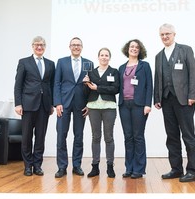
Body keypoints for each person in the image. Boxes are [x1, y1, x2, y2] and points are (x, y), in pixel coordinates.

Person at [153, 23, 195, 182]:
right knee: (171, 136)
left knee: (188, 135)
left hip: (185, 100)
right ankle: (176, 169)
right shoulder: (158, 56)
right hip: (166, 100)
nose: (165, 37)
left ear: (174, 34)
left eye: (167, 34)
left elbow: (193, 73)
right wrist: (157, 98)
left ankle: (193, 170)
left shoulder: (185, 49)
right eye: (162, 35)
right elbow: (157, 79)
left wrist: (192, 95)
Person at [14, 36, 55, 176]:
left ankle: (37, 165)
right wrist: (18, 103)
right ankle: (27, 165)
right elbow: (18, 85)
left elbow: (51, 85)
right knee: (26, 137)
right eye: (37, 44)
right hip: (27, 105)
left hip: (44, 106)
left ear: (45, 47)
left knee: (40, 137)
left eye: (42, 45)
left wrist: (52, 104)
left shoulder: (50, 64)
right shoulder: (24, 62)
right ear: (32, 46)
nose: (39, 47)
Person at [54, 37, 93, 178]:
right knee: (61, 136)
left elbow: (90, 86)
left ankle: (77, 166)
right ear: (69, 46)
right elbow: (56, 83)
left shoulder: (89, 63)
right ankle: (62, 167)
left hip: (81, 104)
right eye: (74, 45)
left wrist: (89, 104)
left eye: (78, 45)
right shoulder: (61, 62)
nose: (76, 47)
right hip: (63, 104)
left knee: (79, 136)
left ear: (82, 47)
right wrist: (57, 103)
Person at [118, 39, 153, 179]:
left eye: (137, 47)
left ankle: (138, 169)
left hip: (139, 105)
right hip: (124, 105)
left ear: (140, 50)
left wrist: (148, 104)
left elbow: (149, 86)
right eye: (131, 46)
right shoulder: (121, 67)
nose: (134, 49)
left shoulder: (145, 66)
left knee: (138, 137)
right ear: (127, 49)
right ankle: (129, 168)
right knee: (128, 137)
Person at [83, 47, 119, 178]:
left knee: (109, 137)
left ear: (109, 57)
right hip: (93, 107)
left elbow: (115, 89)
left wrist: (98, 88)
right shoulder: (90, 73)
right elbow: (87, 92)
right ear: (98, 57)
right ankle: (95, 166)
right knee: (95, 137)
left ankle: (110, 166)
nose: (104, 57)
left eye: (106, 55)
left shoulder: (114, 72)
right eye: (102, 55)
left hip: (109, 107)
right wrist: (85, 83)